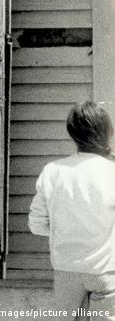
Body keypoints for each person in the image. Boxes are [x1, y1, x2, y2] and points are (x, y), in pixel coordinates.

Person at [29, 101, 115, 320]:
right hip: (106, 271)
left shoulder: (53, 171)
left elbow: (36, 225)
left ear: (72, 134)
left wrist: (67, 229)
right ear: (108, 133)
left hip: (66, 269)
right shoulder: (112, 172)